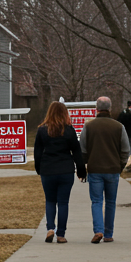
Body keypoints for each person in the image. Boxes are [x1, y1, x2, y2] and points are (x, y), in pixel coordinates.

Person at [80, 96, 131, 243]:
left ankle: (98, 230)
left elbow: (82, 149)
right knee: (110, 202)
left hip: (95, 169)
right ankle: (108, 234)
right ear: (110, 108)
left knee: (96, 201)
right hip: (113, 169)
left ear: (96, 109)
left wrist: (84, 165)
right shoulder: (118, 127)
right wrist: (120, 165)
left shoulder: (88, 126)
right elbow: (125, 150)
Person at [34, 101, 86, 243]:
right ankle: (61, 234)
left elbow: (37, 153)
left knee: (50, 200)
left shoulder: (42, 130)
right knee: (63, 203)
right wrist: (81, 170)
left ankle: (50, 228)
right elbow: (76, 152)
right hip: (65, 170)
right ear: (64, 113)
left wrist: (39, 169)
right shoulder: (69, 130)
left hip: (48, 170)